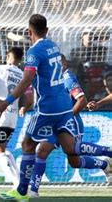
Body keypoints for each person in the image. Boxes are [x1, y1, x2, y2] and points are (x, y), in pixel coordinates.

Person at [0, 14, 112, 200]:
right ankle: (108, 158)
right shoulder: (53, 46)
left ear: (29, 31)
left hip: (47, 108)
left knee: (28, 144)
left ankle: (23, 191)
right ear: (47, 30)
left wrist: (7, 101)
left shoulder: (34, 52)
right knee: (71, 150)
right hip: (63, 106)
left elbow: (28, 78)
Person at [28, 54, 112, 197]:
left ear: (64, 64)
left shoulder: (67, 77)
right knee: (42, 151)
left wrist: (65, 116)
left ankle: (107, 155)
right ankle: (33, 190)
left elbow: (82, 100)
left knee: (74, 159)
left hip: (71, 124)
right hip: (54, 124)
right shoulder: (52, 80)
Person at [0, 47, 33, 187]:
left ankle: (17, 184)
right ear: (20, 59)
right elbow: (30, 98)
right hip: (12, 116)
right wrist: (24, 107)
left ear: (8, 56)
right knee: (3, 148)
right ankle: (21, 181)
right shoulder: (23, 75)